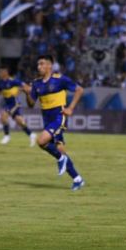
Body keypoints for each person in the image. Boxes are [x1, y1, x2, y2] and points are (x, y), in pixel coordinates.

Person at [23, 55, 85, 191]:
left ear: (49, 66)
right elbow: (31, 104)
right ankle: (77, 179)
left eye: (42, 64)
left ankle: (61, 159)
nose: (38, 67)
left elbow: (79, 90)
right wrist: (27, 93)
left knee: (41, 141)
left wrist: (70, 108)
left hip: (59, 116)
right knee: (60, 149)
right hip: (47, 120)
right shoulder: (36, 83)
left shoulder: (60, 79)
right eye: (38, 64)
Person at [0, 67, 36, 146]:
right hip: (7, 103)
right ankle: (32, 135)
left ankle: (7, 136)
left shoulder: (13, 81)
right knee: (20, 121)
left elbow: (25, 86)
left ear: (6, 72)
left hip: (14, 103)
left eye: (1, 72)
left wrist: (23, 89)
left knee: (3, 115)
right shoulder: (0, 82)